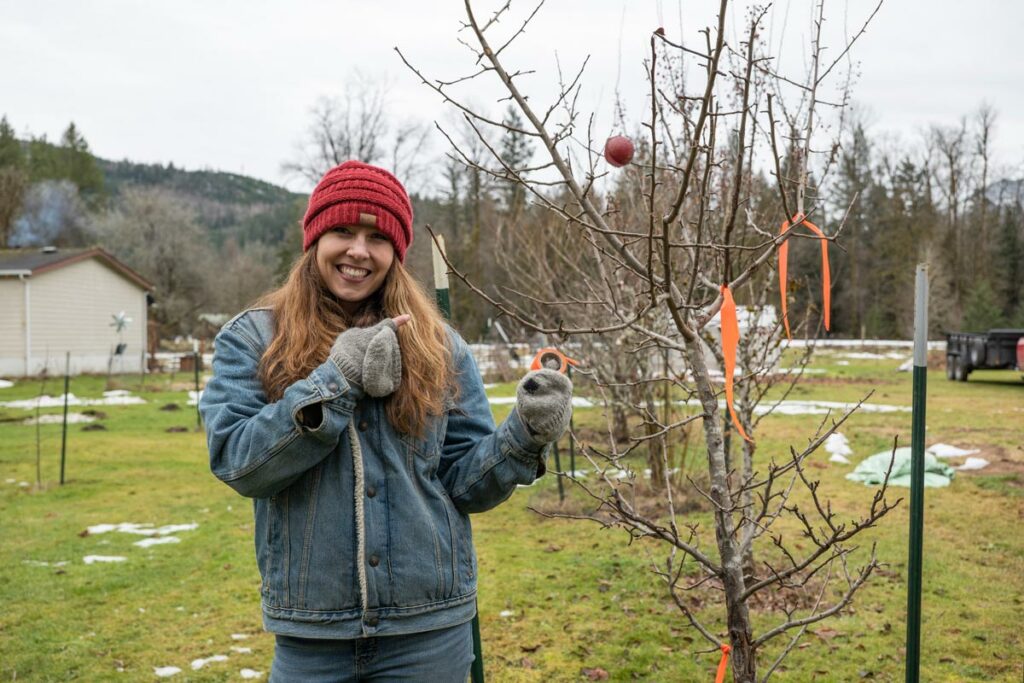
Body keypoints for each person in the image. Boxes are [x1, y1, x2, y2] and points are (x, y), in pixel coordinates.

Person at [199, 160, 573, 682]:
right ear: (314, 239)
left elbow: (465, 486)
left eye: (377, 237)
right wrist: (337, 379)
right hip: (313, 635)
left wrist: (524, 435)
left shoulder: (440, 346)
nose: (358, 250)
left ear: (396, 253)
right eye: (343, 231)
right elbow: (239, 463)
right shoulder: (254, 340)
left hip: (428, 634)